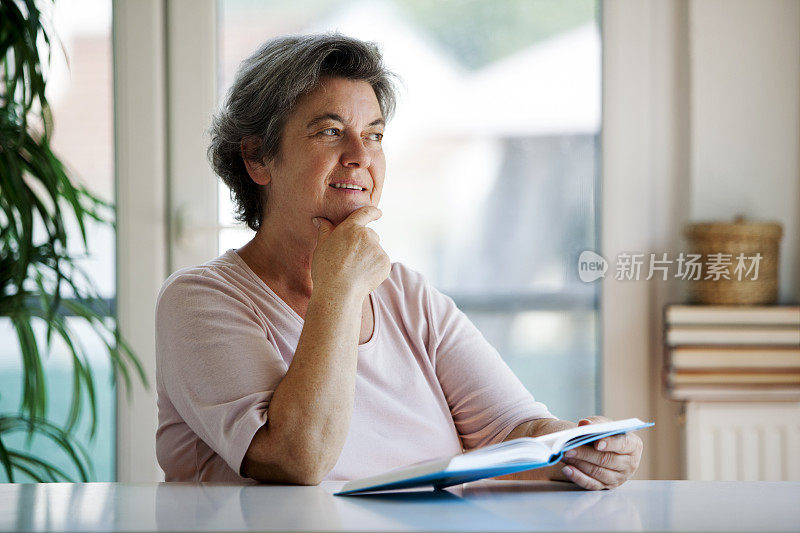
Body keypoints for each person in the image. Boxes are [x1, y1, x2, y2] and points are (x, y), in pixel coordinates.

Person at [155, 33, 642, 489]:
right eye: (330, 131)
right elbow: (294, 458)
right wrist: (339, 290)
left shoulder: (407, 293)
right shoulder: (200, 300)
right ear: (257, 158)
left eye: (374, 135)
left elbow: (512, 428)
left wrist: (583, 448)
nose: (359, 155)